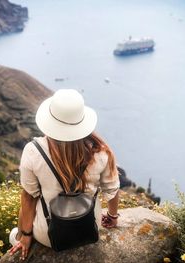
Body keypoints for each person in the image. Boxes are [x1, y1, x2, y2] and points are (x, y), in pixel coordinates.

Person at [9, 89, 120, 260]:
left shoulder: (33, 151)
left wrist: (25, 235)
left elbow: (29, 198)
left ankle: (18, 236)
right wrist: (112, 217)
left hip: (48, 234)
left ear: (50, 121)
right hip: (90, 226)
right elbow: (112, 190)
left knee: (14, 234)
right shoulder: (102, 152)